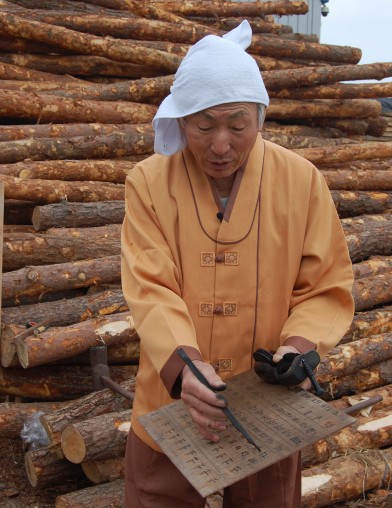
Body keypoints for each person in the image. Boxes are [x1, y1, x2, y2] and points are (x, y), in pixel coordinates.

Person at [121, 20, 354, 508]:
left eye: (237, 125)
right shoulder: (148, 183)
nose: (220, 145)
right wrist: (185, 369)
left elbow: (325, 286)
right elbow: (150, 286)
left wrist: (298, 347)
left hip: (265, 410)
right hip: (168, 402)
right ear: (181, 120)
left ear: (261, 117)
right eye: (204, 126)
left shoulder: (302, 182)